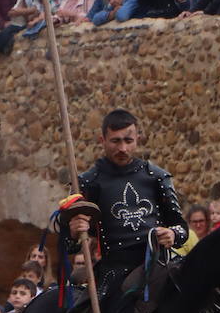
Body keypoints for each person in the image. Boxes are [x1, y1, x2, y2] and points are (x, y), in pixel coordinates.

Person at [68, 109, 188, 299]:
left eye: (128, 141)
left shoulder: (157, 177)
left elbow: (182, 229)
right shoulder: (88, 183)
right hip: (114, 273)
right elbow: (69, 245)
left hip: (159, 264)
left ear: (137, 140)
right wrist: (74, 231)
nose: (122, 148)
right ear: (103, 140)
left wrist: (173, 233)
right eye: (115, 141)